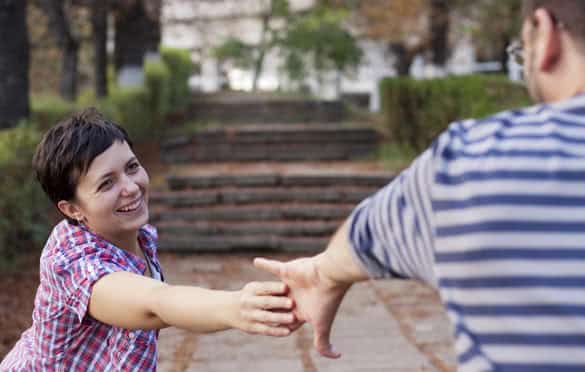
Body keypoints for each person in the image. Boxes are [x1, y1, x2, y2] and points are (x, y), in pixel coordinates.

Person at [255, 1, 585, 370]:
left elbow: (364, 240)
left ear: (547, 34)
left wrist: (322, 275)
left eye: (522, 48)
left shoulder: (469, 163)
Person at [0, 108, 296, 371]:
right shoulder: (70, 261)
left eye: (131, 167)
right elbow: (155, 302)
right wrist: (234, 307)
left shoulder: (137, 235)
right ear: (72, 209)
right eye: (106, 183)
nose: (131, 187)